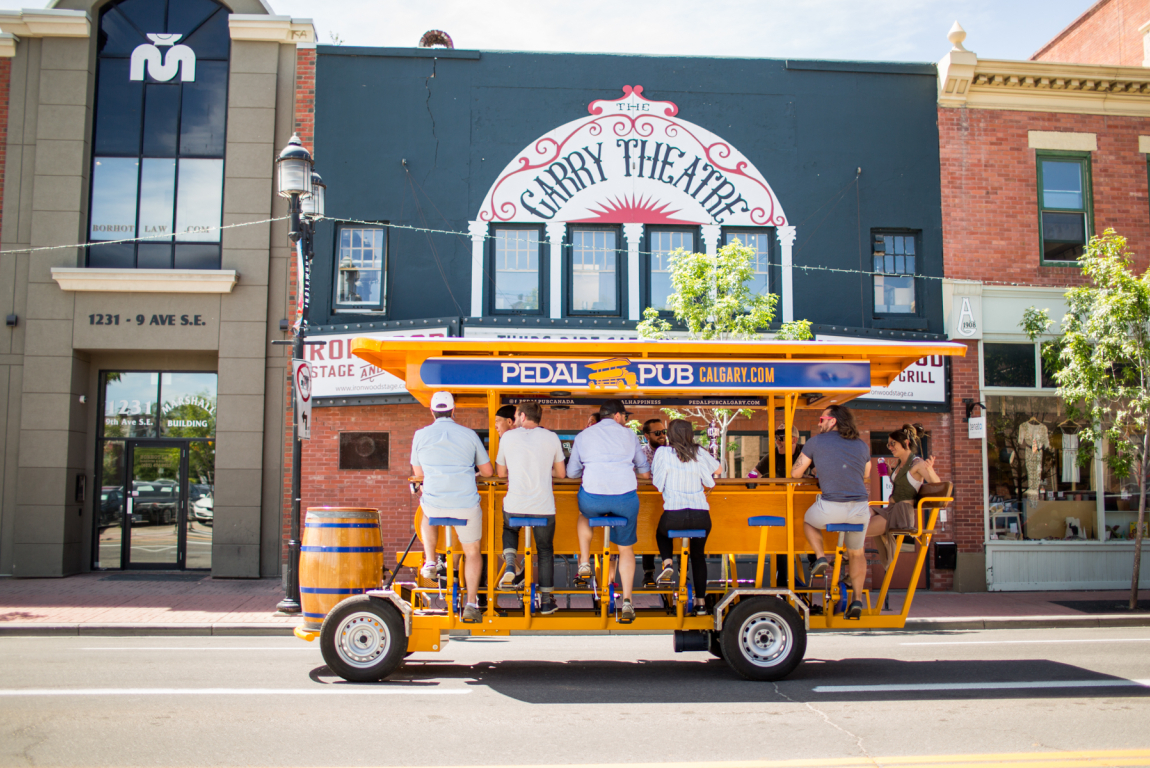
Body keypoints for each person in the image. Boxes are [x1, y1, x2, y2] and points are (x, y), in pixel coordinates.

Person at [411, 391, 493, 624]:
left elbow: (419, 474)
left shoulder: (420, 435)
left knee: (426, 510)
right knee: (473, 553)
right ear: (453, 410)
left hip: (436, 505)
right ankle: (471, 603)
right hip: (465, 504)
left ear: (432, 410)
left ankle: (430, 560)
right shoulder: (469, 434)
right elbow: (487, 472)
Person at [567, 401, 650, 623]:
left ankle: (584, 561)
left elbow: (572, 472)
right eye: (624, 416)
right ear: (616, 416)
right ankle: (627, 601)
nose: (626, 420)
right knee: (626, 550)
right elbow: (643, 470)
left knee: (584, 515)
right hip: (625, 499)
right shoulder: (630, 436)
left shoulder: (583, 436)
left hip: (593, 499)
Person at [791, 404, 871, 620]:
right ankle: (857, 600)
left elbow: (795, 473)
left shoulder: (815, 442)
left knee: (808, 521)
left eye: (821, 419)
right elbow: (865, 474)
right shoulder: (862, 445)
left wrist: (819, 470)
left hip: (831, 508)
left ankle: (820, 557)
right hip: (861, 509)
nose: (819, 423)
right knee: (856, 553)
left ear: (832, 421)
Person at [495, 403, 567, 614]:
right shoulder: (551, 437)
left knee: (509, 528)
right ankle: (546, 601)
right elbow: (561, 474)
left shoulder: (508, 437)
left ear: (522, 415)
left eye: (516, 415)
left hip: (515, 505)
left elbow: (500, 473)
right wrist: (545, 472)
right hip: (543, 507)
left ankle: (510, 564)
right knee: (544, 551)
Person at [651, 419, 721, 615]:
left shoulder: (663, 453)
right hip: (701, 515)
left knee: (661, 534)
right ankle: (700, 604)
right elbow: (719, 471)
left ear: (670, 435)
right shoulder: (699, 452)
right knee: (698, 556)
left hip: (674, 515)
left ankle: (668, 563)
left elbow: (657, 484)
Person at [867, 424, 940, 567]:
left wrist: (930, 471)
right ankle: (850, 559)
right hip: (890, 509)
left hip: (901, 513)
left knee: (860, 530)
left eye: (893, 443)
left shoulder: (917, 463)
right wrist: (890, 473)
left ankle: (850, 561)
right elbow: (905, 482)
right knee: (863, 512)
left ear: (906, 443)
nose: (890, 447)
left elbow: (937, 484)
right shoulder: (900, 463)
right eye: (888, 444)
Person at [640, 418, 669, 586]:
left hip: (669, 498)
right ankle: (648, 573)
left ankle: (680, 572)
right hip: (648, 498)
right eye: (657, 433)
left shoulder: (673, 451)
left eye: (664, 432)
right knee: (647, 529)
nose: (662, 436)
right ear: (646, 436)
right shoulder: (641, 453)